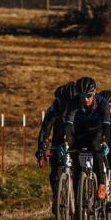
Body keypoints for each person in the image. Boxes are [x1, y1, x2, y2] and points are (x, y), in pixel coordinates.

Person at [59, 76, 111, 200]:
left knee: (96, 146)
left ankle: (102, 183)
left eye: (88, 96)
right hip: (80, 131)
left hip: (97, 131)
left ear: (94, 93)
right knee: (76, 166)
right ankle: (78, 209)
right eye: (82, 96)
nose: (85, 99)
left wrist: (105, 142)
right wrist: (66, 141)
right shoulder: (74, 102)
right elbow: (69, 124)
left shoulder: (102, 102)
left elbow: (107, 125)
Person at [36, 80, 79, 212]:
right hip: (59, 136)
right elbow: (45, 129)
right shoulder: (55, 107)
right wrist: (42, 148)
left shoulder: (80, 107)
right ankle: (57, 196)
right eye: (63, 102)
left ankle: (81, 198)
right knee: (54, 171)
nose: (66, 106)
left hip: (77, 134)